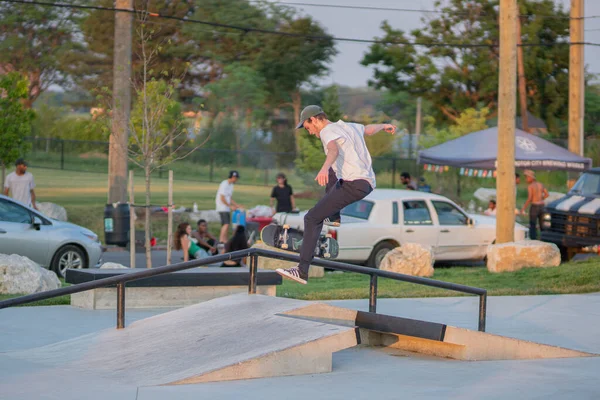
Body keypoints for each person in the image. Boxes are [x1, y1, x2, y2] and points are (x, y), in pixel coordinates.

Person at [276, 105, 396, 284]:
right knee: (335, 171)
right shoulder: (348, 126)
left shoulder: (327, 131)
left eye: (308, 128)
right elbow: (369, 130)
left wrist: (323, 168)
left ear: (314, 119)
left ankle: (301, 271)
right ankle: (333, 217)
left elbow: (333, 151)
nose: (310, 132)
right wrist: (384, 126)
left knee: (311, 218)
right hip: (366, 183)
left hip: (353, 184)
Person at [215, 171, 243, 244]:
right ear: (233, 177)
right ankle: (221, 240)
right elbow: (222, 198)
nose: (236, 180)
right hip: (221, 207)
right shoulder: (224, 184)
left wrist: (236, 205)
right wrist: (230, 206)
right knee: (226, 224)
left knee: (225, 224)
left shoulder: (231, 185)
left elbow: (229, 198)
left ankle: (225, 240)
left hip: (226, 208)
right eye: (236, 178)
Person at [520, 170, 549, 239]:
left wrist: (523, 208)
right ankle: (544, 238)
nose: (526, 179)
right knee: (542, 224)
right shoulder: (540, 184)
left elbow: (530, 198)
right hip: (542, 206)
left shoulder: (530, 186)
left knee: (532, 224)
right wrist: (541, 198)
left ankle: (533, 239)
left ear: (531, 178)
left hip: (534, 206)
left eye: (527, 177)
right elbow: (547, 194)